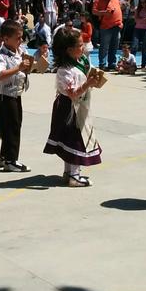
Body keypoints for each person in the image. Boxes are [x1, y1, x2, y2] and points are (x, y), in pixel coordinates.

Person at [44, 28, 103, 187]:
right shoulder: (65, 71)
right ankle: (74, 175)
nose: (83, 48)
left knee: (71, 140)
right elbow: (73, 94)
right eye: (80, 45)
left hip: (80, 106)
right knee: (75, 140)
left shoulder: (81, 62)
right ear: (69, 50)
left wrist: (94, 81)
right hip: (70, 109)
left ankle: (69, 172)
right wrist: (88, 84)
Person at [0, 20, 33, 172]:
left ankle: (4, 156)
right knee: (12, 127)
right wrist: (19, 67)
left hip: (16, 94)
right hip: (5, 96)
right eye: (17, 38)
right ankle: (11, 160)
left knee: (12, 125)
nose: (20, 40)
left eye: (21, 37)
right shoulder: (2, 56)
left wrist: (29, 65)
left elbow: (26, 66)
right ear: (6, 39)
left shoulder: (19, 51)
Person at [92, 0, 123, 71]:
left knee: (114, 46)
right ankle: (102, 64)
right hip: (106, 26)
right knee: (104, 46)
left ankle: (112, 63)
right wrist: (104, 13)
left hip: (117, 25)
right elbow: (94, 11)